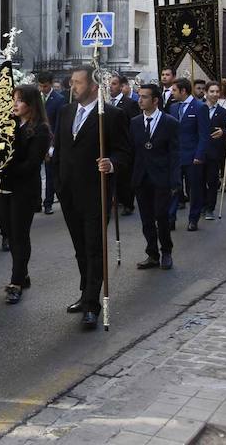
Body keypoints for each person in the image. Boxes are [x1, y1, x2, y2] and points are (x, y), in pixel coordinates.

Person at [51, 66, 130, 329]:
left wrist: (112, 163)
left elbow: (124, 152)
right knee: (80, 248)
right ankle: (85, 293)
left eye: (78, 83)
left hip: (96, 192)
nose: (73, 87)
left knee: (94, 248)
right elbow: (60, 150)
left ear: (94, 86)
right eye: (72, 82)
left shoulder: (111, 115)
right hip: (69, 192)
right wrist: (57, 183)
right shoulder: (66, 111)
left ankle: (92, 305)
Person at [0, 85, 50, 304]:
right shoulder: (9, 124)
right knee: (9, 233)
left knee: (19, 236)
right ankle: (23, 273)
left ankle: (16, 281)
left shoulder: (40, 129)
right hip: (2, 188)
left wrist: (4, 167)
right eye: (14, 100)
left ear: (31, 104)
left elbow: (31, 164)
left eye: (19, 101)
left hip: (23, 190)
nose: (14, 104)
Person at [131, 85, 181, 270]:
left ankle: (166, 251)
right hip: (142, 177)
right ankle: (152, 253)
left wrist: (175, 180)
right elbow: (131, 151)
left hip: (162, 177)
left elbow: (175, 154)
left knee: (162, 216)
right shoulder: (135, 122)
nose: (140, 100)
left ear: (155, 101)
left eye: (144, 97)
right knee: (146, 219)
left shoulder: (170, 123)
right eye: (139, 96)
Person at [167, 78, 210, 232]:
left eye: (174, 90)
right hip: (175, 156)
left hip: (193, 156)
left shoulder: (200, 107)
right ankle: (170, 218)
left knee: (194, 189)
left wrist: (199, 155)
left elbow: (204, 134)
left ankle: (193, 219)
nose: (172, 93)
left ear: (183, 91)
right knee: (173, 188)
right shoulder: (172, 108)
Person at [109, 75, 140, 216]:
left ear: (121, 86)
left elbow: (133, 125)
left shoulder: (129, 103)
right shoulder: (106, 103)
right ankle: (115, 199)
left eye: (114, 84)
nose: (111, 86)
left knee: (125, 176)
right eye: (109, 84)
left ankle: (128, 203)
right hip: (110, 144)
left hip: (124, 144)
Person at [38, 71, 65, 215]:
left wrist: (52, 145)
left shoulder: (59, 99)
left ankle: (48, 203)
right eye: (41, 86)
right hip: (37, 140)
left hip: (50, 141)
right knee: (36, 172)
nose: (43, 89)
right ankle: (36, 201)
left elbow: (59, 124)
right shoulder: (37, 98)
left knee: (50, 174)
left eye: (45, 86)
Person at [201, 81, 226, 221]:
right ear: (206, 92)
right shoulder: (199, 108)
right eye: (212, 91)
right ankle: (201, 204)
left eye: (217, 91)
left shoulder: (223, 112)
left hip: (214, 151)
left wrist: (223, 132)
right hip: (199, 150)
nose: (214, 94)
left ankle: (210, 208)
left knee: (212, 180)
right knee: (198, 180)